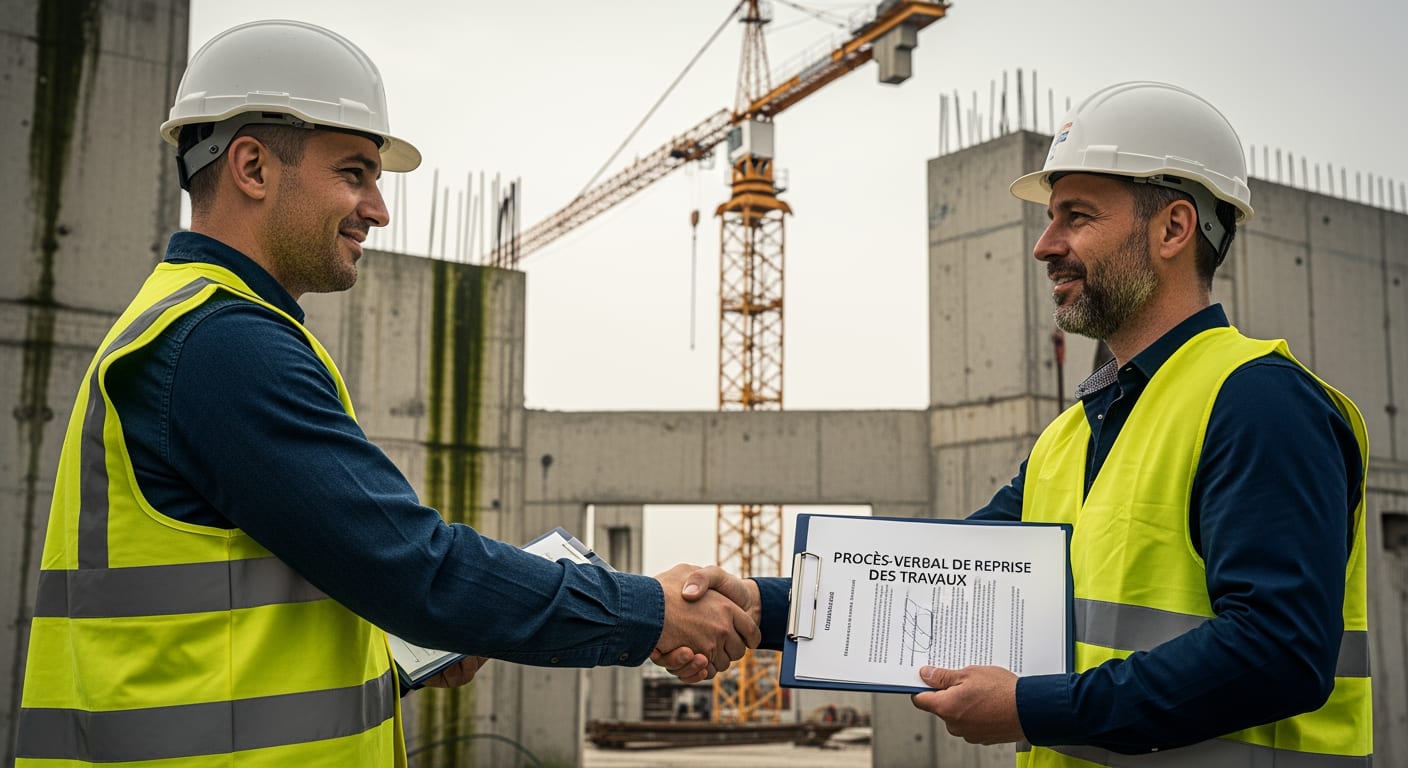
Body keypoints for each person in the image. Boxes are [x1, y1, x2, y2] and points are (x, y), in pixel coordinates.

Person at [15, 19, 756, 767]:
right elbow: (413, 568)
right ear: (251, 166)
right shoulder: (220, 343)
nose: (379, 208)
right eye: (354, 172)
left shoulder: (197, 326)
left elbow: (279, 612)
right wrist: (647, 610)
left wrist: (395, 651)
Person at [658, 82, 1372, 766]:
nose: (1045, 244)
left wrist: (1035, 708)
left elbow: (1278, 653)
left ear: (1174, 227)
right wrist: (757, 604)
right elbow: (941, 585)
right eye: (1050, 218)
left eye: (1078, 216)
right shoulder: (1074, 436)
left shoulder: (1260, 402)